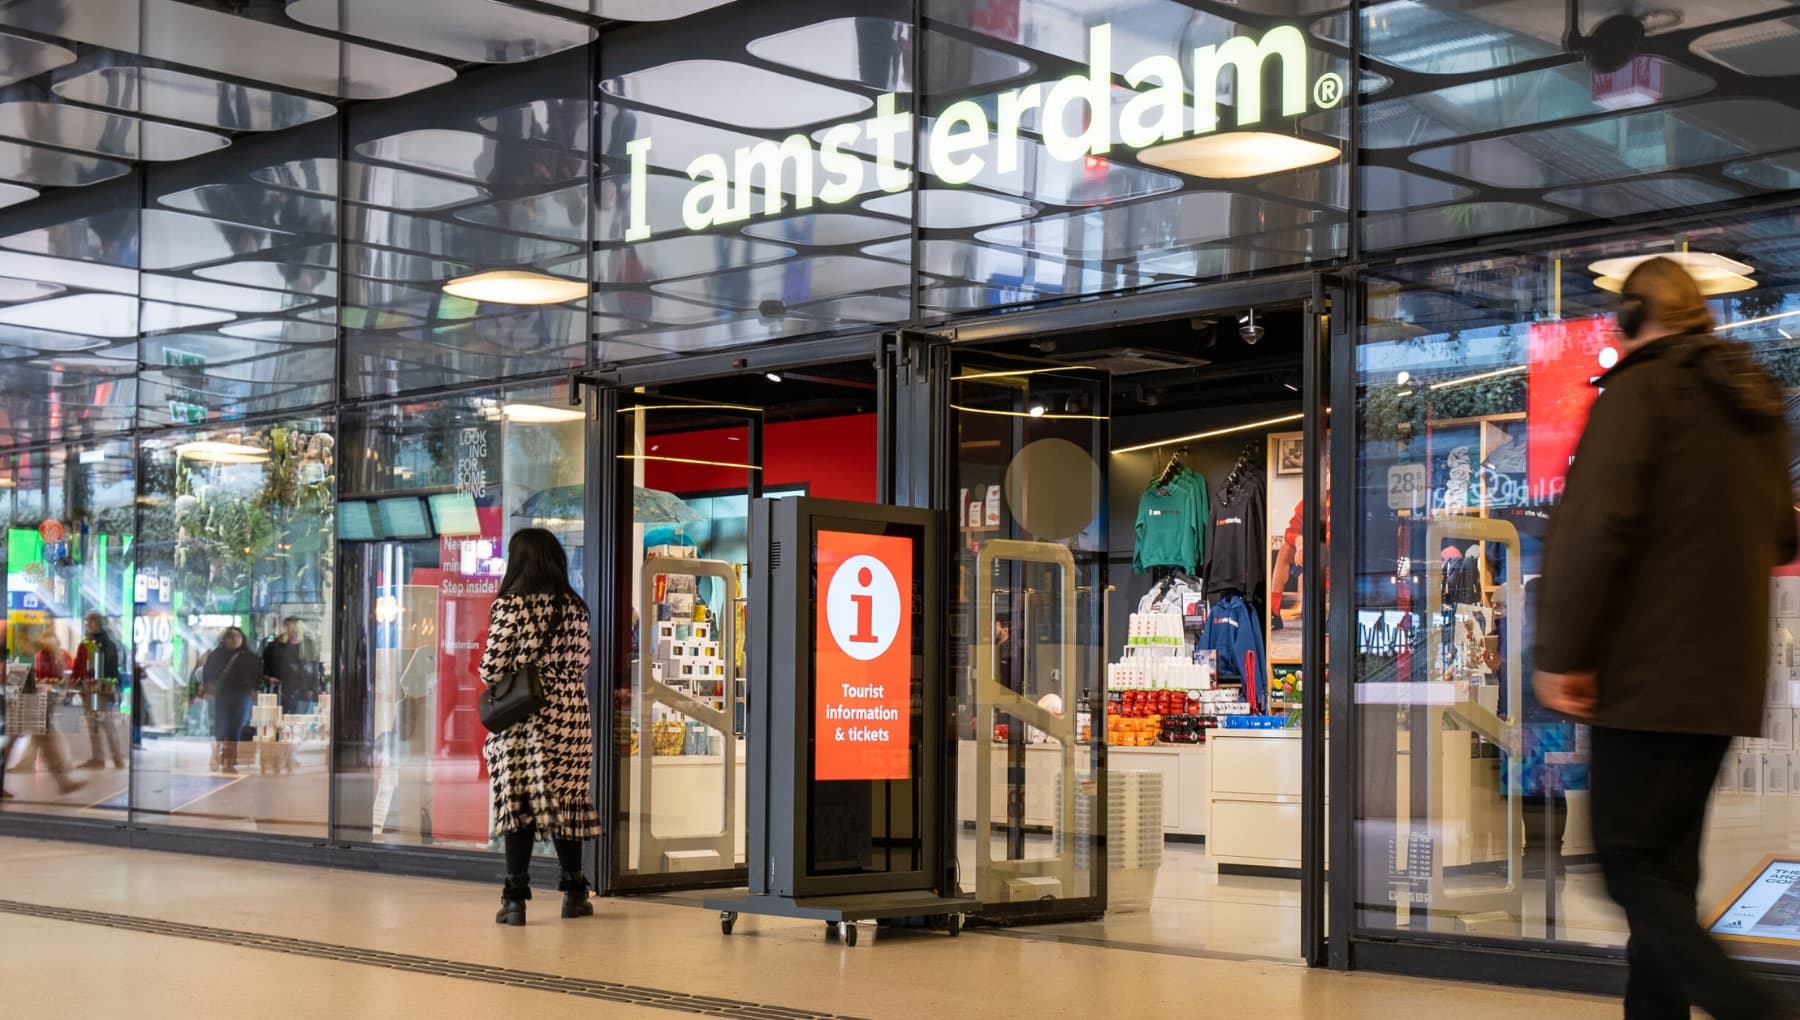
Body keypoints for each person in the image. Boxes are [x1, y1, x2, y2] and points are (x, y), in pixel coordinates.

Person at [1534, 256, 1798, 1020]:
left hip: (1647, 676)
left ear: (1629, 320)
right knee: (1668, 874)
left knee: (1629, 866)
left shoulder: (1641, 390)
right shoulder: (1755, 402)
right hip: (1725, 679)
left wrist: (1562, 656)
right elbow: (1782, 535)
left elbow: (1592, 528)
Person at [481, 528, 599, 926]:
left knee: (522, 804)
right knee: (568, 800)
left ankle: (515, 899)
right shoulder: (575, 606)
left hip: (527, 715)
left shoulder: (512, 605)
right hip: (570, 712)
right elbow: (582, 660)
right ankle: (575, 892)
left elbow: (492, 668)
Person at [7, 629, 83, 794]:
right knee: (23, 739)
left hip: (29, 695)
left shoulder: (35, 652)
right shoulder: (29, 652)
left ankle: (63, 782)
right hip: (25, 695)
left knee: (39, 737)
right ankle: (63, 782)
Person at [203, 627, 262, 775]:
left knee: (236, 726)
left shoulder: (249, 657)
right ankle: (218, 751)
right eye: (230, 637)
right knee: (221, 726)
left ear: (242, 638)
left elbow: (257, 675)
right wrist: (209, 686)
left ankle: (229, 757)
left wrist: (254, 689)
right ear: (225, 639)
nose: (234, 640)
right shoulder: (216, 655)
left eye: (237, 636)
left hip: (242, 695)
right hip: (222, 695)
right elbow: (208, 673)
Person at [74, 613, 126, 769]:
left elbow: (107, 668)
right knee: (95, 725)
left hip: (99, 690)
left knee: (104, 724)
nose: (88, 625)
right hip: (94, 689)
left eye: (91, 622)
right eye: (87, 622)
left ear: (98, 623)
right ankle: (102, 757)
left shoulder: (103, 644)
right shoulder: (106, 644)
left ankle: (112, 758)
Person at [262, 617, 318, 716]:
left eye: (296, 627)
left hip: (303, 693)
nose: (294, 631)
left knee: (300, 720)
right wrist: (268, 679)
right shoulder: (274, 647)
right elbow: (264, 669)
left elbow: (315, 668)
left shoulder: (308, 645)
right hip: (282, 692)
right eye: (290, 627)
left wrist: (312, 688)